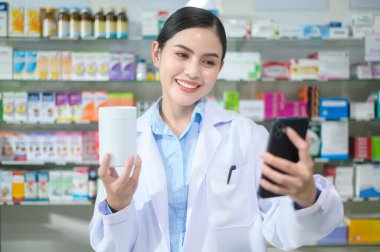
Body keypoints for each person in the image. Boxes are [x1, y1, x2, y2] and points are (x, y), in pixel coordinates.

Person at [89, 6, 343, 252]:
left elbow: (283, 230)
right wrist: (117, 205)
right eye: (182, 55)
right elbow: (110, 246)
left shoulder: (248, 137)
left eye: (208, 62)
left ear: (220, 67)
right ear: (157, 54)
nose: (192, 72)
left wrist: (306, 196)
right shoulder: (126, 139)